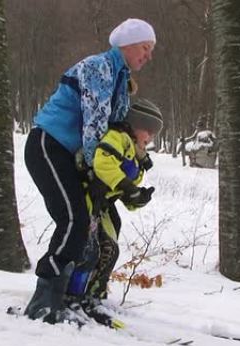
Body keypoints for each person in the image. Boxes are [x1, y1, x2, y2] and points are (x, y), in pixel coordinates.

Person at [23, 19, 156, 324]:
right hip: (49, 145)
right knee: (73, 220)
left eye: (151, 50)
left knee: (93, 226)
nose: (148, 56)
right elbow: (95, 123)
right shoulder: (100, 67)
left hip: (74, 155)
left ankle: (74, 296)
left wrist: (128, 166)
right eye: (145, 48)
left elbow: (116, 130)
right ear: (127, 44)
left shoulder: (121, 78)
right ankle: (44, 300)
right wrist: (96, 170)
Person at [65, 99, 163, 328]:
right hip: (88, 199)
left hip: (103, 207)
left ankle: (94, 296)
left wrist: (137, 198)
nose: (150, 136)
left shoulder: (136, 158)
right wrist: (128, 187)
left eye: (154, 133)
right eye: (148, 130)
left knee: (110, 249)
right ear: (134, 125)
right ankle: (71, 297)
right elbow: (103, 163)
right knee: (89, 252)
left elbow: (123, 193)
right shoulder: (118, 137)